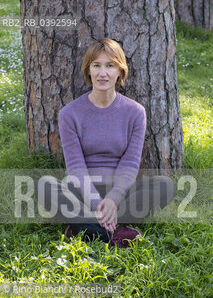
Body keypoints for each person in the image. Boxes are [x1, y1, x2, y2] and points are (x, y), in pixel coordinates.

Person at [42, 38, 176, 248]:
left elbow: (130, 163)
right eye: (96, 65)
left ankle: (83, 228)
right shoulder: (70, 114)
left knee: (165, 186)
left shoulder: (135, 112)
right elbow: (76, 167)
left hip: (121, 192)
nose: (102, 73)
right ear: (89, 70)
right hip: (82, 191)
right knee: (45, 187)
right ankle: (116, 232)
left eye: (110, 65)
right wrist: (97, 203)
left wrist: (113, 199)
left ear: (120, 72)